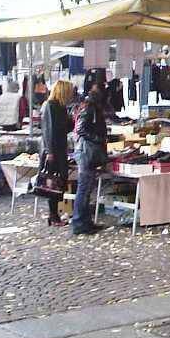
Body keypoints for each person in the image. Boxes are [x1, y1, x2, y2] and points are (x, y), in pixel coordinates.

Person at [71, 85, 108, 236]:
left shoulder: (89, 107)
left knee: (86, 190)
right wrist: (97, 138)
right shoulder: (89, 108)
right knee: (84, 189)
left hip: (87, 152)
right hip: (87, 153)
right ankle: (79, 222)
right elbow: (80, 129)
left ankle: (85, 222)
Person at [40, 80, 73, 228]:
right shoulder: (50, 106)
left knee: (58, 182)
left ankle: (54, 215)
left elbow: (63, 128)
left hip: (60, 149)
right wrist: (49, 151)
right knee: (53, 182)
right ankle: (53, 215)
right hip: (53, 150)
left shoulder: (61, 107)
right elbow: (48, 130)